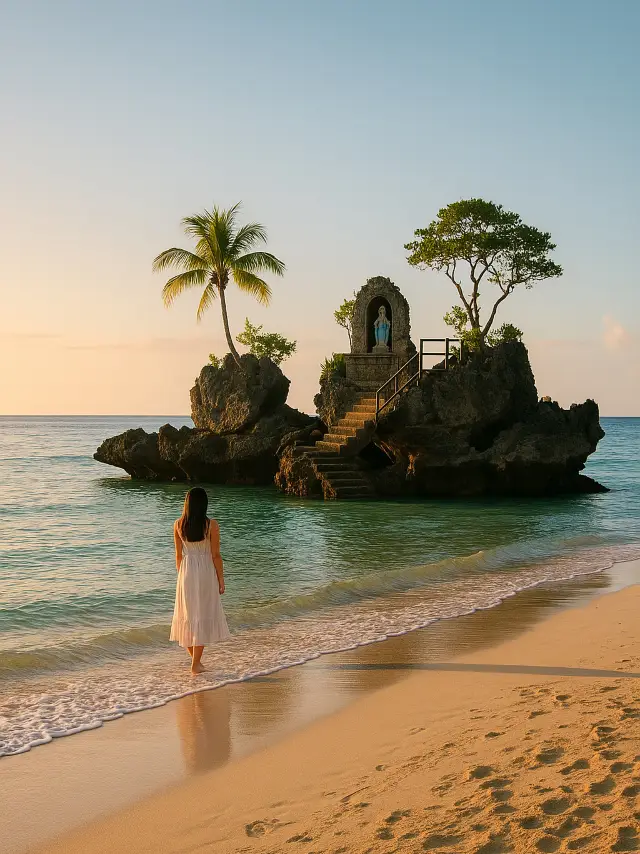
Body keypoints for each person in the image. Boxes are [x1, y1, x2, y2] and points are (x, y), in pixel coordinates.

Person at [170, 487, 230, 674]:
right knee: (202, 615)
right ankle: (195, 664)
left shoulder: (178, 525)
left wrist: (182, 577)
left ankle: (196, 661)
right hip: (205, 572)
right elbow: (216, 555)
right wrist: (221, 579)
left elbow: (178, 557)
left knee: (189, 617)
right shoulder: (211, 525)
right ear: (204, 504)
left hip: (186, 572)